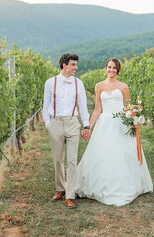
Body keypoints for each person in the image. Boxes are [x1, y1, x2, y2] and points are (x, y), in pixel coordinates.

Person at [75, 58, 153, 206]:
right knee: (103, 153)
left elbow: (128, 107)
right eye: (109, 67)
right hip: (105, 122)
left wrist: (133, 120)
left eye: (114, 68)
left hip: (120, 123)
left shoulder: (123, 86)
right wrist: (88, 127)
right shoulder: (99, 86)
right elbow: (98, 109)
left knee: (122, 153)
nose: (111, 70)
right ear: (106, 68)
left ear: (118, 70)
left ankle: (125, 184)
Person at [42, 53, 91, 209]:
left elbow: (83, 107)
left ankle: (70, 195)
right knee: (58, 160)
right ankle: (60, 189)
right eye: (73, 65)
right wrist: (49, 124)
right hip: (55, 123)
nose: (76, 67)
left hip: (72, 123)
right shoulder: (50, 83)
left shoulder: (79, 84)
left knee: (71, 160)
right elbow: (45, 107)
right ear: (64, 65)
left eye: (76, 64)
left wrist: (86, 125)